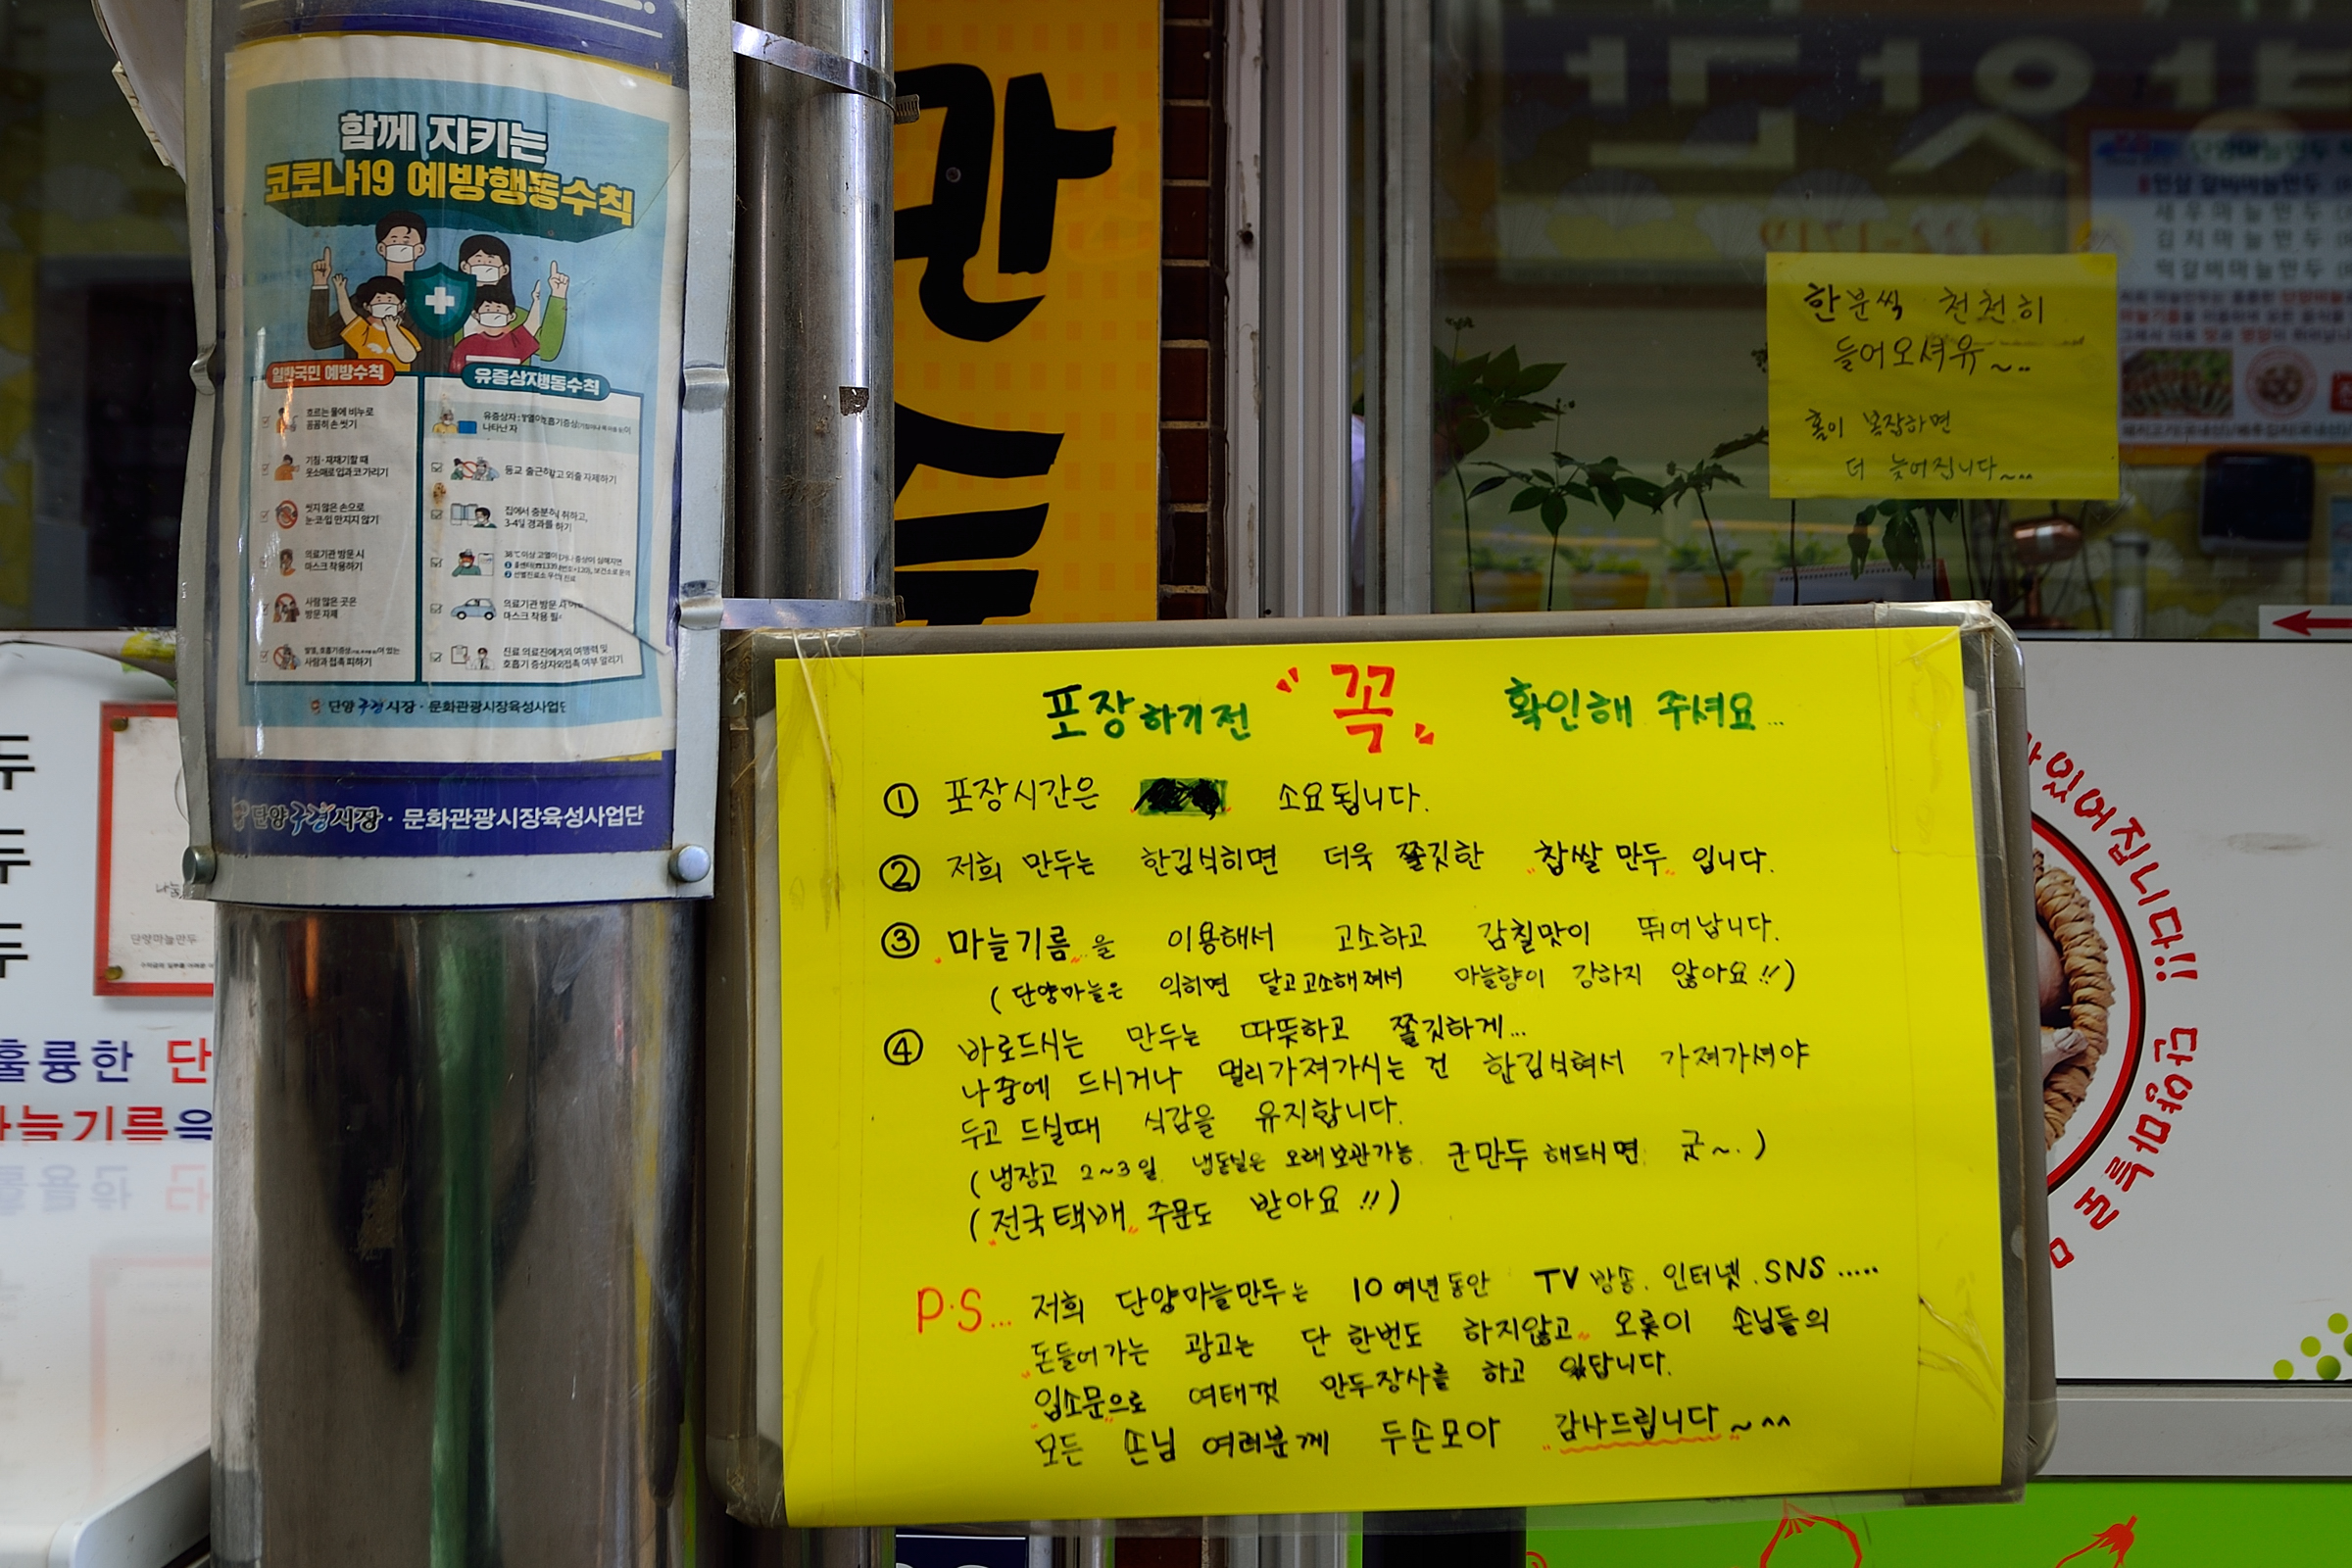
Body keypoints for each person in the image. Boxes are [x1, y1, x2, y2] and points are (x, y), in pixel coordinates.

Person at [308, 211, 426, 358]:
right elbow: (319, 338)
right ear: (381, 249)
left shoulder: (431, 299)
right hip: (365, 370)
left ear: (420, 249)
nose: (401, 246)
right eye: (394, 241)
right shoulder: (365, 298)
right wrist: (320, 283)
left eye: (407, 242)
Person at [450, 282, 546, 372]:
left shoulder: (514, 342)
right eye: (487, 309)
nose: (494, 313)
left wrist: (537, 301)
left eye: (499, 310)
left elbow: (532, 324)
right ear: (476, 315)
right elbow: (454, 375)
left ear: (511, 317)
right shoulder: (467, 344)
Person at [335, 275, 420, 370]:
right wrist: (340, 290)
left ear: (401, 306)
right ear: (367, 307)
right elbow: (347, 314)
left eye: (389, 300)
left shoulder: (404, 334)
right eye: (378, 300)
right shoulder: (365, 331)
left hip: (399, 378)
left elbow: (408, 357)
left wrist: (392, 328)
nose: (384, 303)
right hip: (370, 376)